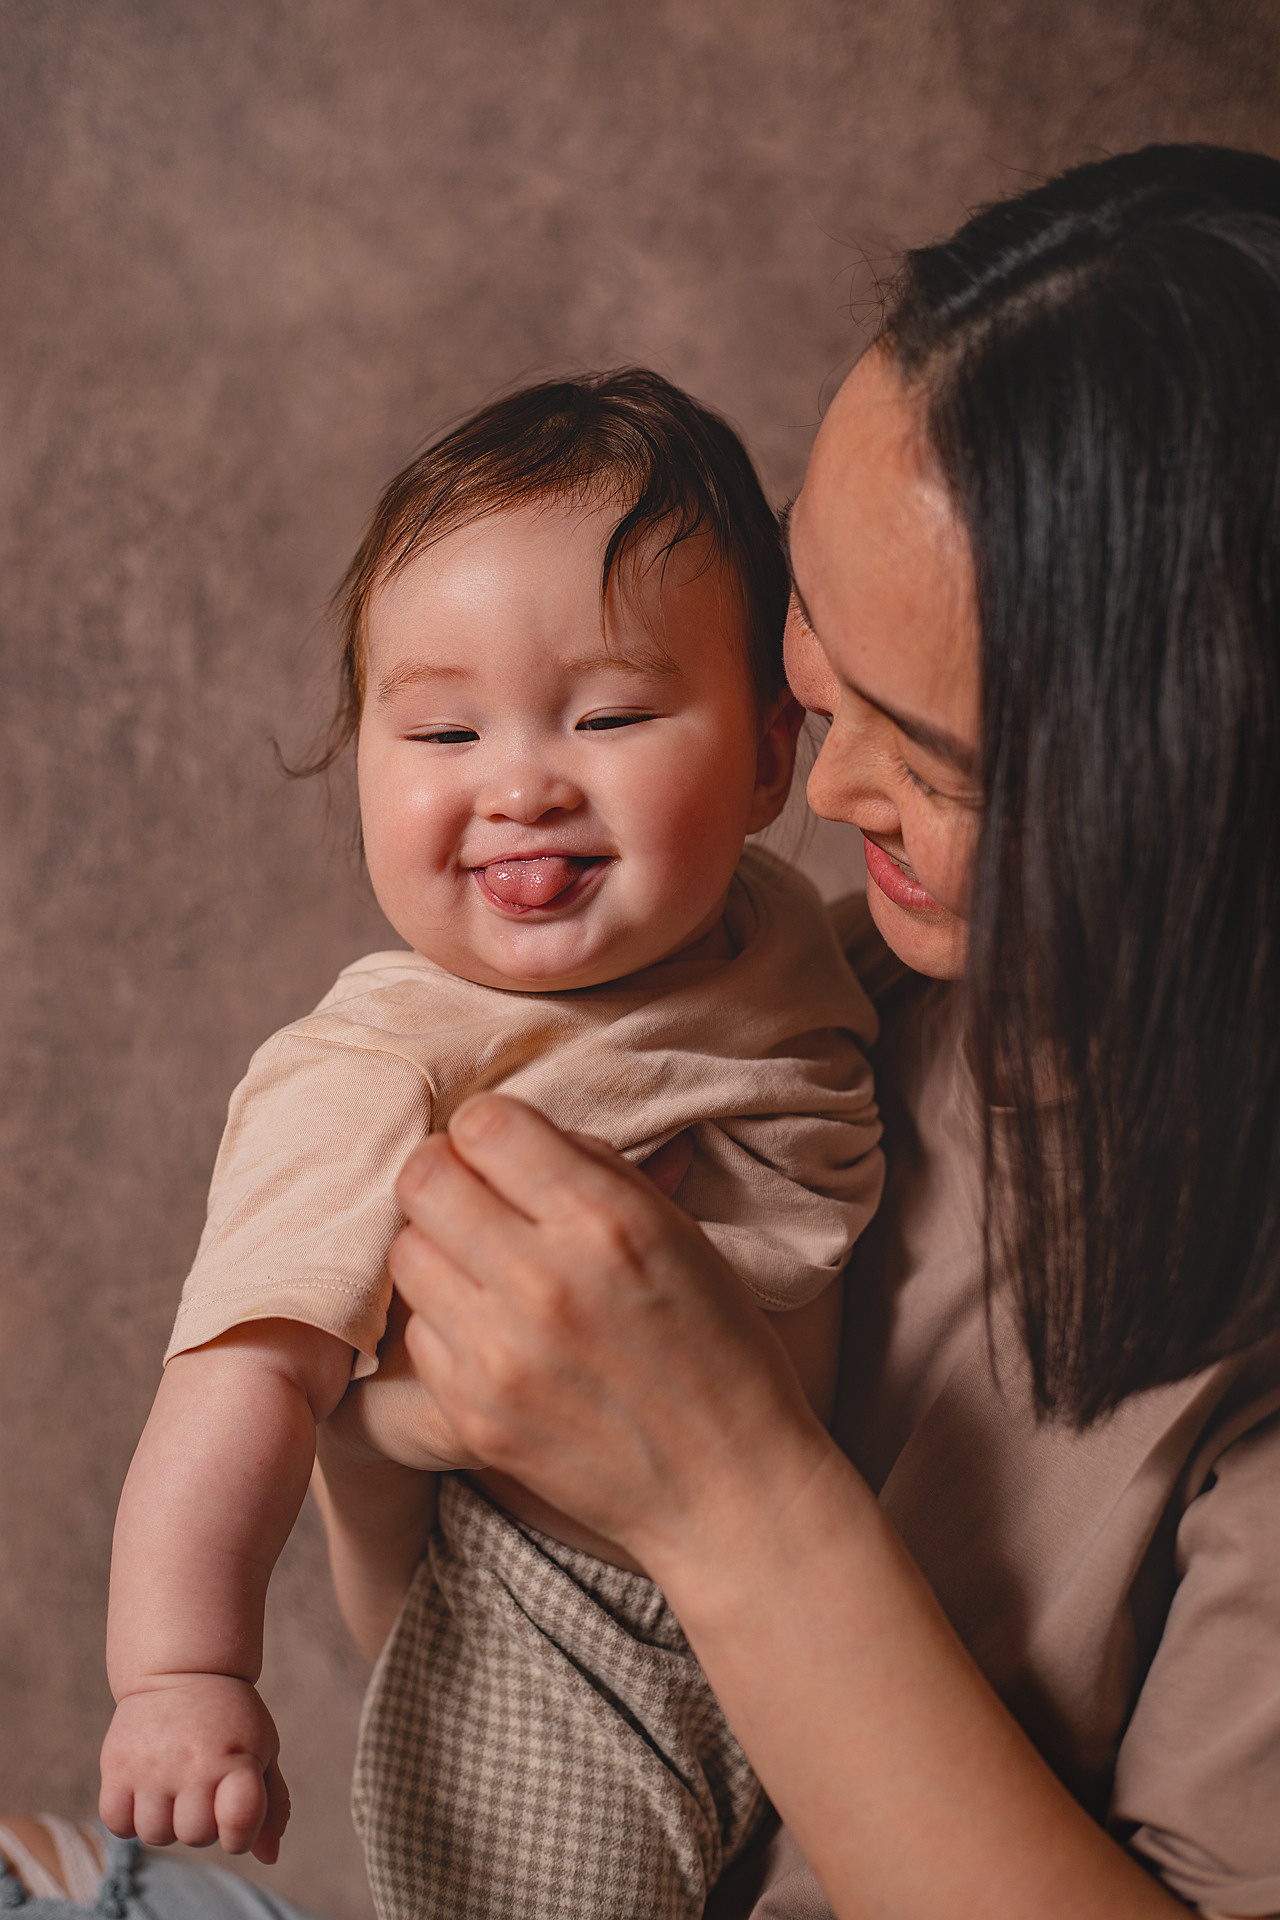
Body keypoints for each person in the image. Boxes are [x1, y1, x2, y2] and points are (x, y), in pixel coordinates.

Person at [314, 143, 1280, 1920]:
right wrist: (389, 1433)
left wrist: (728, 1490)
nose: (823, 793)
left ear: (1205, 789)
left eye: (939, 757)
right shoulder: (815, 1015)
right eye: (813, 664)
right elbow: (505, 1714)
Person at [97, 371, 886, 1920]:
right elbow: (243, 1374)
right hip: (553, 1637)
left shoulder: (780, 928)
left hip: (818, 1570)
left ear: (769, 758)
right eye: (444, 730)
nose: (521, 784)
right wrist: (182, 1673)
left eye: (611, 716)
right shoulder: (377, 1066)